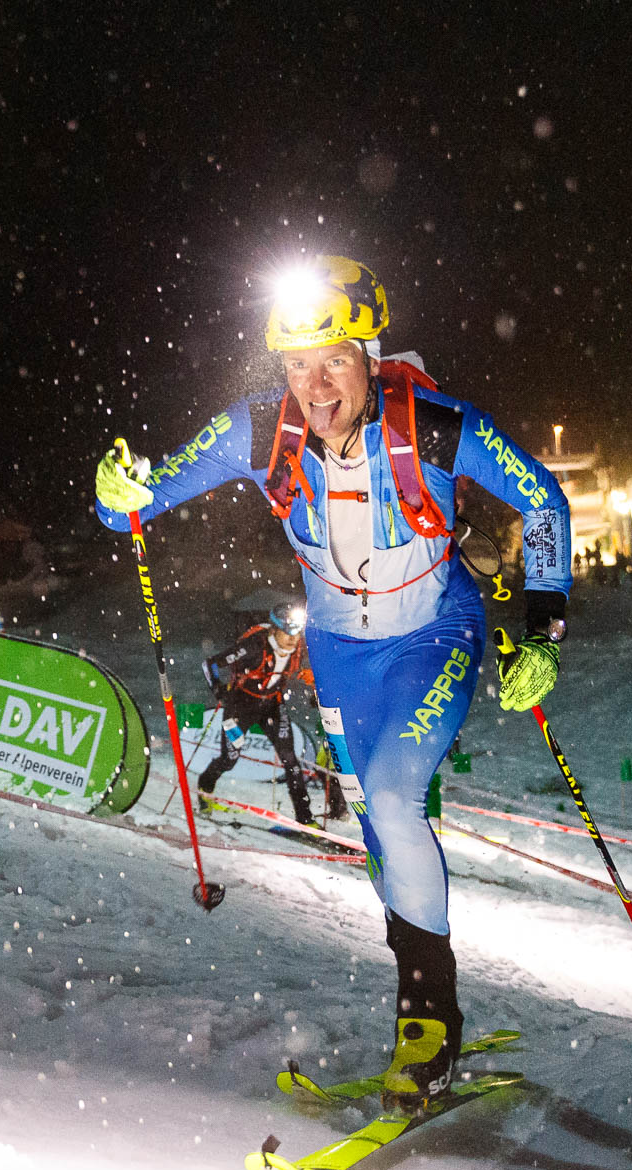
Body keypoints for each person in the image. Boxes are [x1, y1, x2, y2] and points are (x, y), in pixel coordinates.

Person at [93, 254, 572, 1110]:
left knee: (392, 796)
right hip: (343, 660)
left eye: (334, 361)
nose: (315, 387)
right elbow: (138, 500)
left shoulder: (432, 426)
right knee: (384, 838)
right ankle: (424, 1004)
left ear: (369, 354)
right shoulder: (256, 432)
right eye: (296, 366)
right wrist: (113, 491)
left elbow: (541, 498)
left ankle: (428, 1020)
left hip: (437, 637)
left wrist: (544, 630)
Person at [196, 602, 318, 827]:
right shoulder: (254, 647)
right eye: (287, 633)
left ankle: (305, 819)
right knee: (229, 759)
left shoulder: (298, 649)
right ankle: (205, 786)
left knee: (290, 761)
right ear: (274, 630)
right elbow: (210, 664)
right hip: (240, 707)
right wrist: (218, 689)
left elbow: (305, 672)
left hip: (272, 704)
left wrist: (317, 689)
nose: (292, 639)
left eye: (296, 633)